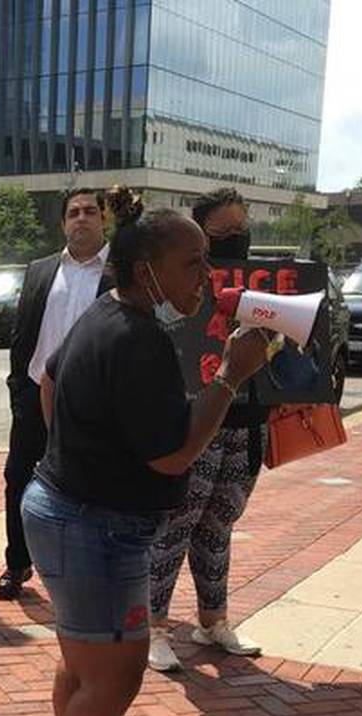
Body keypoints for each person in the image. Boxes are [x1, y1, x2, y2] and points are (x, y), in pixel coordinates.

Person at [21, 187, 271, 716]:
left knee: (83, 667)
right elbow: (172, 453)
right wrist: (230, 376)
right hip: (91, 525)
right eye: (194, 263)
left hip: (75, 511)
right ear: (146, 272)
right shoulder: (136, 338)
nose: (208, 278)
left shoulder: (108, 318)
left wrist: (71, 450)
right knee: (115, 673)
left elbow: (49, 384)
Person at [147, 187, 267, 672]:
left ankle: (212, 619)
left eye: (242, 232)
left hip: (244, 420)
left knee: (220, 523)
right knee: (177, 523)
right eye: (223, 235)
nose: (235, 241)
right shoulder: (180, 284)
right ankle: (153, 627)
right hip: (198, 418)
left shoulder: (264, 283)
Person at [0, 189, 110, 600]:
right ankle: (17, 564)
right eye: (73, 213)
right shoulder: (41, 270)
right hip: (33, 394)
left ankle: (85, 572)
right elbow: (21, 333)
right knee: (18, 479)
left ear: (104, 219)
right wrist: (16, 388)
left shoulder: (119, 273)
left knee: (88, 486)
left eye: (90, 212)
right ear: (63, 223)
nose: (81, 218)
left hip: (93, 405)